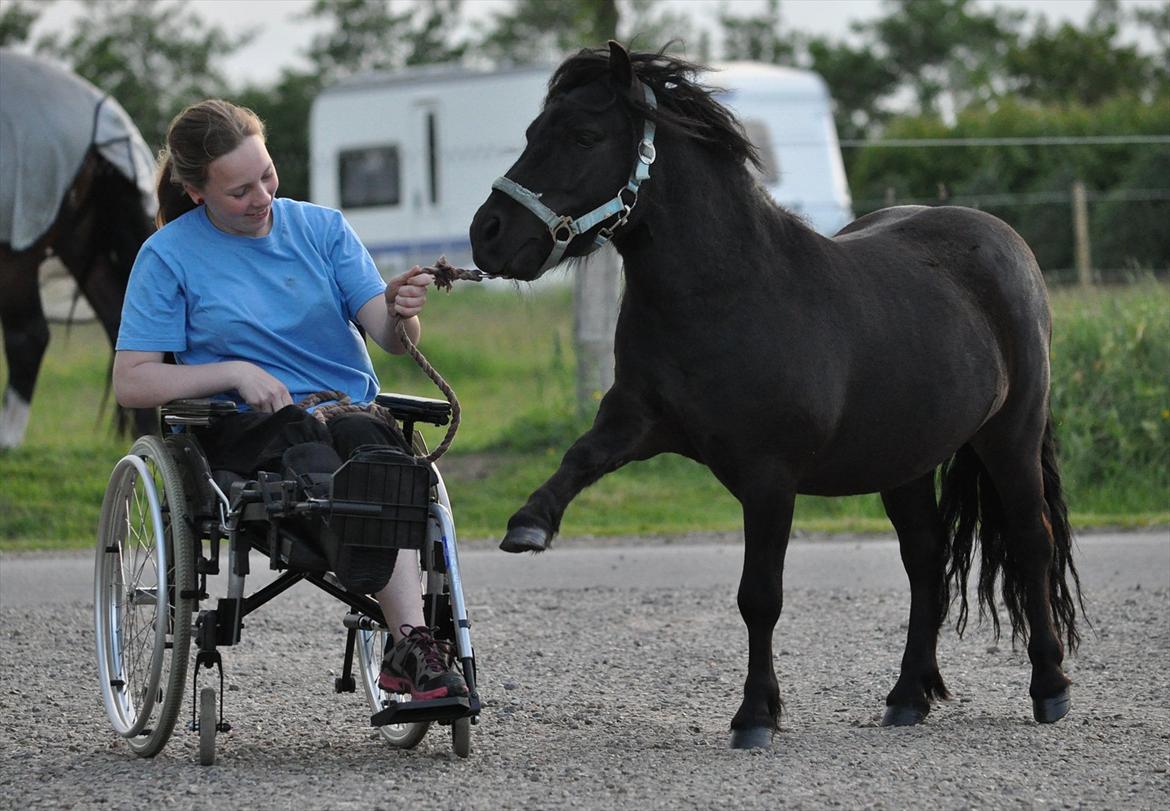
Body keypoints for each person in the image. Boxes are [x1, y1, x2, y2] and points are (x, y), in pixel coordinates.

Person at [112, 99, 466, 701]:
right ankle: (381, 585)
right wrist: (234, 372)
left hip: (347, 410)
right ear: (197, 192)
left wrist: (403, 311)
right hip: (243, 425)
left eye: (267, 176)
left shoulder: (322, 230)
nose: (262, 197)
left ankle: (408, 645)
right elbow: (133, 381)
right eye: (240, 190)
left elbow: (389, 337)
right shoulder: (168, 255)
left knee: (374, 449)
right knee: (303, 443)